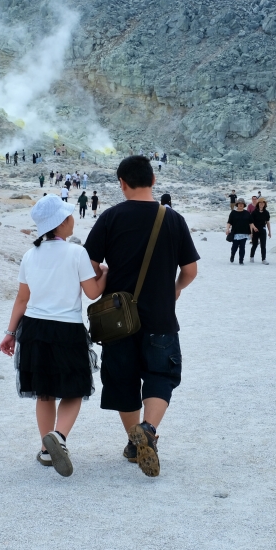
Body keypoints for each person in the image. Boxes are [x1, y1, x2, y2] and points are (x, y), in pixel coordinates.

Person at [84, 155, 199, 478]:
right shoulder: (172, 219)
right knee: (161, 375)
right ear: (153, 180)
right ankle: (148, 428)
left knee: (123, 381)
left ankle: (135, 443)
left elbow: (90, 266)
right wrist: (175, 289)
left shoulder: (111, 217)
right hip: (161, 316)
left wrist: (106, 276)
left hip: (119, 320)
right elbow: (190, 270)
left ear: (121, 183)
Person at [0, 195, 108, 477]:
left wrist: (10, 333)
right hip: (66, 329)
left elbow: (22, 299)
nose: (73, 219)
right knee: (76, 388)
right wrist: (106, 273)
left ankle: (47, 451)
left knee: (44, 392)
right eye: (69, 216)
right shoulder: (76, 252)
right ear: (62, 223)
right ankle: (59, 437)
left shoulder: (30, 255)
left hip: (34, 328)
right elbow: (93, 293)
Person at [226, 199, 251, 264]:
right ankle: (232, 256)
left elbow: (250, 223)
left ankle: (241, 260)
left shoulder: (247, 213)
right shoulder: (233, 212)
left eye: (242, 204)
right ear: (237, 204)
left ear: (244, 205)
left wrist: (251, 233)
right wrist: (227, 229)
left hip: (244, 232)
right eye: (239, 203)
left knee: (242, 247)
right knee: (234, 246)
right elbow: (229, 222)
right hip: (235, 232)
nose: (240, 205)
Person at [250, 197, 271, 264]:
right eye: (260, 203)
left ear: (265, 204)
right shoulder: (254, 212)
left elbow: (267, 222)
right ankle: (252, 257)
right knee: (255, 244)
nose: (261, 204)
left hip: (263, 229)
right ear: (258, 204)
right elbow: (251, 222)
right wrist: (252, 230)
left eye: (263, 203)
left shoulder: (266, 213)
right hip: (255, 229)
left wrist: (270, 232)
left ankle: (263, 259)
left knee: (263, 245)